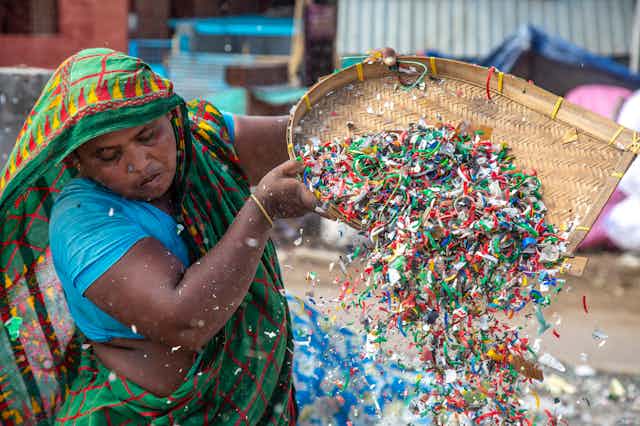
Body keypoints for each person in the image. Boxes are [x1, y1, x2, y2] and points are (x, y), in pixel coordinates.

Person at [0, 47, 397, 424]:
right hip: (138, 414)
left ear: (173, 119)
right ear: (78, 160)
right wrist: (261, 210)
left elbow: (314, 140)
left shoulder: (202, 139)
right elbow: (186, 322)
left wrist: (370, 93)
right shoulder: (81, 219)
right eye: (109, 155)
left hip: (243, 408)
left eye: (147, 136)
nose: (139, 163)